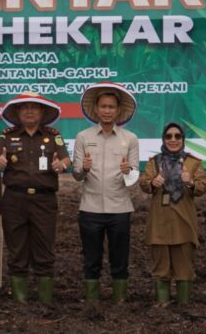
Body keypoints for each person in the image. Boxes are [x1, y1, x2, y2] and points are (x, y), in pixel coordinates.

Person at [0, 91, 70, 304]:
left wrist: (60, 165)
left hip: (44, 201)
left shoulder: (54, 136)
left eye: (34, 107)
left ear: (42, 112)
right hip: (14, 199)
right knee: (17, 249)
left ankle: (46, 301)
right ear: (17, 112)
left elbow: (65, 160)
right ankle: (20, 302)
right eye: (24, 107)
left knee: (44, 248)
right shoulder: (7, 136)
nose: (29, 111)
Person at [72, 82, 140, 304]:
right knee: (91, 259)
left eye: (111, 107)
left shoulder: (130, 138)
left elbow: (134, 178)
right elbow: (76, 175)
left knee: (119, 258)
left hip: (120, 208)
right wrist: (84, 168)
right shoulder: (83, 137)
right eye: (103, 106)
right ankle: (92, 301)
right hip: (90, 208)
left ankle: (119, 300)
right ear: (96, 109)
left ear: (118, 110)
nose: (107, 111)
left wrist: (127, 170)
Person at [139, 122, 206, 305]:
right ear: (163, 139)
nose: (173, 140)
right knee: (161, 266)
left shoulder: (193, 162)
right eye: (169, 136)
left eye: (177, 136)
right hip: (160, 220)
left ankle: (183, 305)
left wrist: (191, 181)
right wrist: (153, 182)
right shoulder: (154, 162)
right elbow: (144, 183)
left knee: (184, 266)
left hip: (183, 219)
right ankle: (162, 303)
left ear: (183, 139)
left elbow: (203, 187)